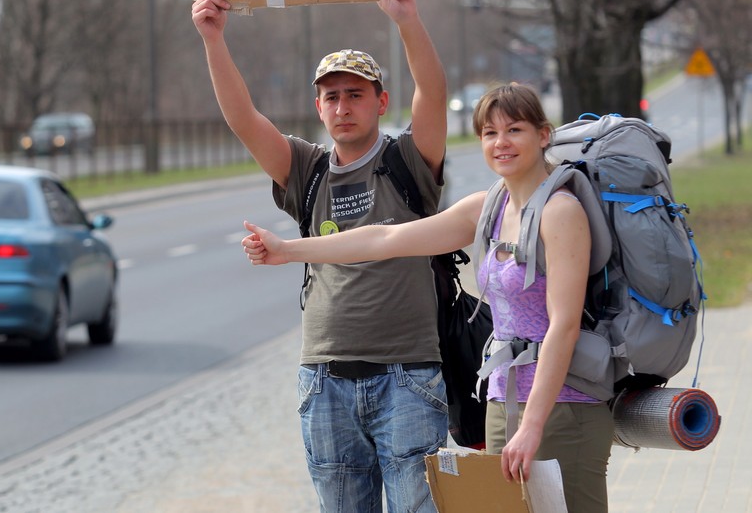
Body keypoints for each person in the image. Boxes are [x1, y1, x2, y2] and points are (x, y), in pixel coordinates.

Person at [241, 83, 614, 513]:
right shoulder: (488, 207)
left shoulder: (560, 211)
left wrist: (533, 426)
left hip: (564, 407)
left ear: (543, 135)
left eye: (514, 130)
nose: (501, 143)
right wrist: (288, 251)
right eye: (489, 133)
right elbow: (385, 238)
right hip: (504, 402)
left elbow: (563, 325)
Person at [192, 0, 451, 513]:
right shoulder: (307, 171)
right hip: (324, 382)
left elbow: (433, 94)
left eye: (355, 94)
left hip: (407, 379)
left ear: (381, 101)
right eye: (332, 96)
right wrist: (213, 39)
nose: (343, 106)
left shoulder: (407, 162)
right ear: (318, 106)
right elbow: (244, 119)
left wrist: (406, 20)